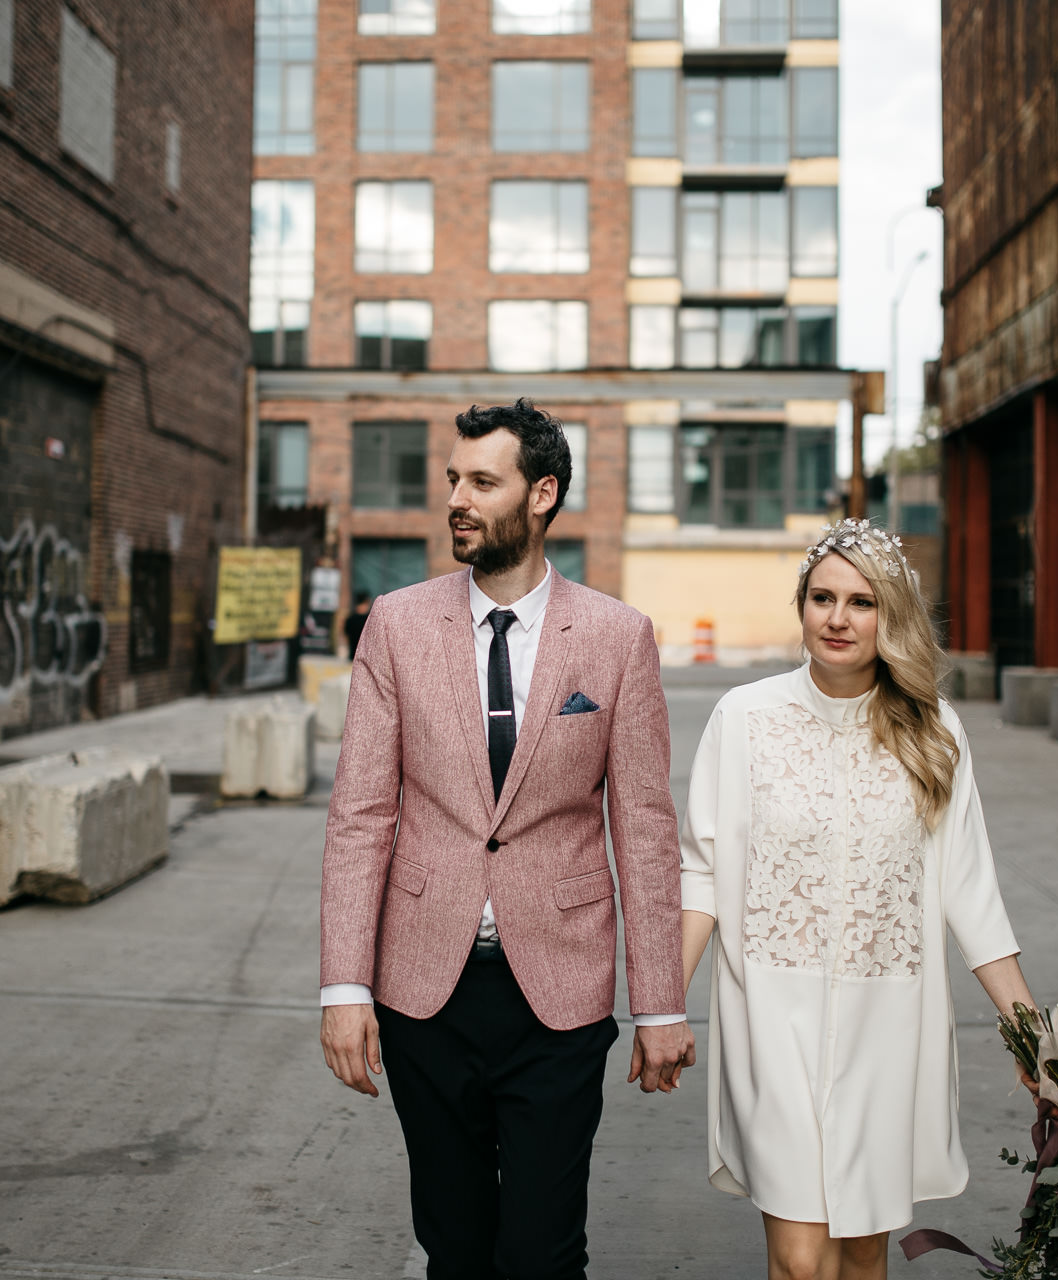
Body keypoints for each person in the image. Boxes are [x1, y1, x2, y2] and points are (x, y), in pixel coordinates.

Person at [320, 399, 695, 1280]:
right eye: (453, 478)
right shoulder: (397, 625)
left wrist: (661, 1003)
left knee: (541, 1250)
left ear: (542, 494)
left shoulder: (616, 637)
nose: (457, 497)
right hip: (423, 993)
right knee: (453, 1246)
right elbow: (360, 815)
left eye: (482, 481)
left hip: (557, 997)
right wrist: (344, 985)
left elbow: (642, 828)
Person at [678, 518, 1058, 1280]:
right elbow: (703, 866)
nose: (837, 618)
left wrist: (1037, 1045)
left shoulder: (934, 732)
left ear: (890, 616)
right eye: (822, 598)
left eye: (861, 602)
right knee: (800, 1261)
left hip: (888, 1025)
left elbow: (973, 896)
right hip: (770, 1015)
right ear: (801, 606)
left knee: (861, 1258)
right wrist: (665, 1005)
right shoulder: (744, 719)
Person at [343, 591, 372, 658]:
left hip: (352, 656)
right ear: (367, 601)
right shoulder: (370, 619)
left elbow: (346, 636)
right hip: (365, 658)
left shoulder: (350, 618)